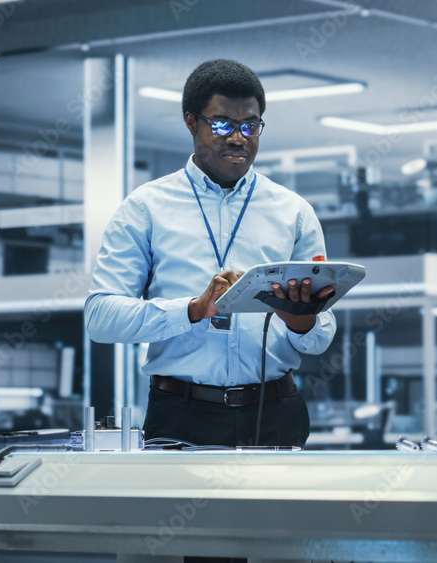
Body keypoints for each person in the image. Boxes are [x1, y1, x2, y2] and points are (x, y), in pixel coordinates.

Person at [84, 59, 336, 453]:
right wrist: (189, 310)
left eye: (250, 126)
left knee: (278, 518)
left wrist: (301, 320)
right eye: (222, 124)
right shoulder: (146, 208)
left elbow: (320, 338)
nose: (238, 138)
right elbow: (100, 318)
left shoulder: (294, 212)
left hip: (274, 414)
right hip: (181, 415)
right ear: (191, 121)